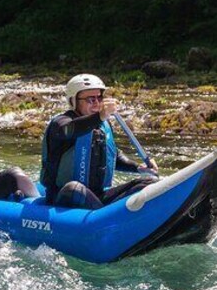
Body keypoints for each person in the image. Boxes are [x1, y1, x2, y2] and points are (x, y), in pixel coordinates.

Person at [40, 74, 158, 209]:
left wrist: (138, 167)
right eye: (90, 99)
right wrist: (100, 116)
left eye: (99, 97)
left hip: (97, 196)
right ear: (73, 101)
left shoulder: (102, 124)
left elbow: (114, 157)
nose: (96, 103)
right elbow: (71, 129)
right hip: (63, 196)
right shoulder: (61, 123)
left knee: (148, 182)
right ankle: (105, 220)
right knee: (74, 188)